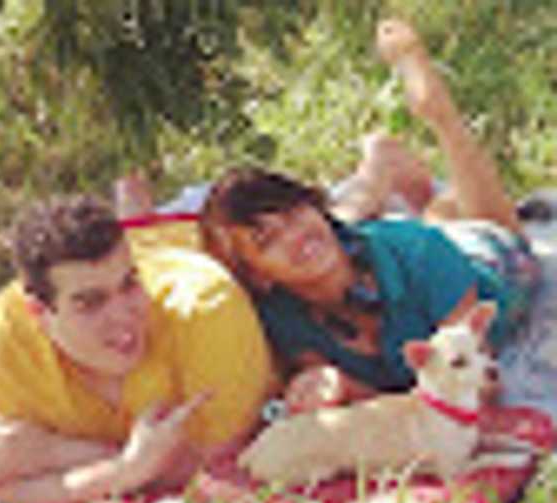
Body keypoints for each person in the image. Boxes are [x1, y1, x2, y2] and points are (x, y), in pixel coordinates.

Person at [198, 19, 541, 405]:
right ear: (258, 277)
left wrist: (351, 391)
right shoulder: (282, 317)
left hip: (492, 262)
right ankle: (386, 165)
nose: (293, 235)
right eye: (267, 240)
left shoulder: (420, 252)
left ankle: (440, 116)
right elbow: (365, 400)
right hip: (387, 244)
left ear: (312, 206)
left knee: (489, 228)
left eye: (293, 213)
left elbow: (476, 392)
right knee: (428, 216)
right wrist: (337, 388)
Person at [0, 194, 273, 503]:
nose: (123, 314)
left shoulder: (207, 311)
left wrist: (54, 453)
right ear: (39, 313)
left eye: (129, 284)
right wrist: (128, 466)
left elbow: (219, 465)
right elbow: (2, 488)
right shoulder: (1, 351)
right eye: (91, 303)